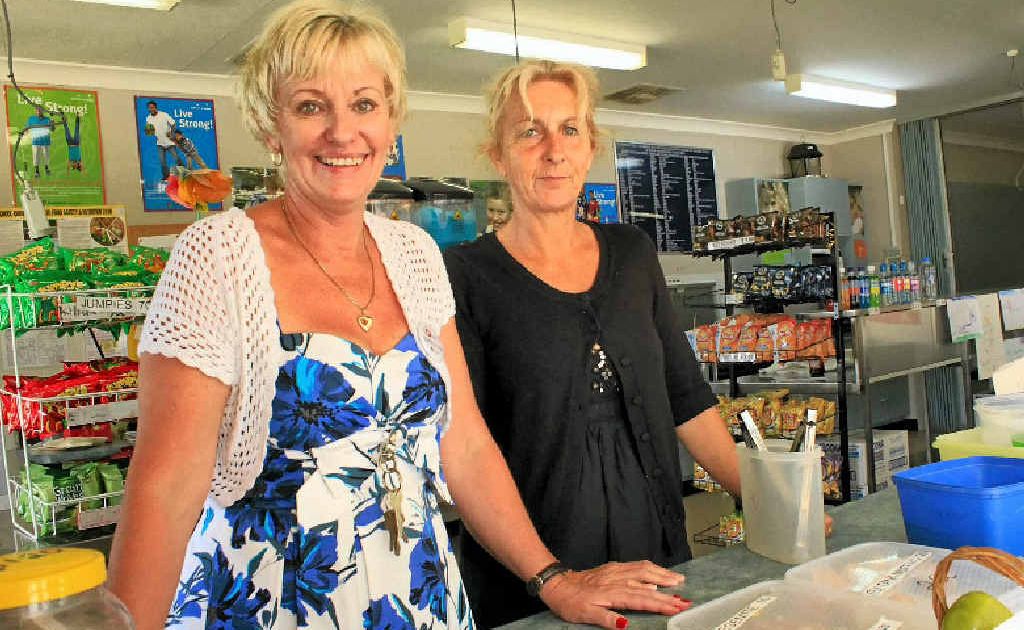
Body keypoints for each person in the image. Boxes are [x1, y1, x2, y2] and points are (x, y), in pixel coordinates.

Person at [107, 4, 688, 629]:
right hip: (269, 605)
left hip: (421, 601)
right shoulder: (217, 256)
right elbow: (163, 494)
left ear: (389, 119)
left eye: (363, 104)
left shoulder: (413, 255)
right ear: (270, 126)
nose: (341, 132)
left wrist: (552, 579)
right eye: (309, 106)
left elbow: (462, 442)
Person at [445, 60, 818, 627]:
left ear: (590, 145)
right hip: (532, 581)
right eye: (529, 132)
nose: (553, 149)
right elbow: (465, 448)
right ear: (497, 154)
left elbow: (685, 396)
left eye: (569, 129)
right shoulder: (462, 275)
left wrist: (772, 503)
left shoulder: (633, 252)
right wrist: (552, 578)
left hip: (654, 553)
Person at [145, 100, 184, 181]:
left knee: (176, 158)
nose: (150, 109)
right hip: (160, 143)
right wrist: (149, 131)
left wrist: (172, 133)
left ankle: (183, 172)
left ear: (155, 107)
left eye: (152, 107)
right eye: (149, 108)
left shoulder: (164, 114)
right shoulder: (148, 118)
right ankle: (166, 176)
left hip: (169, 142)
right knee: (162, 162)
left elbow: (173, 124)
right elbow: (149, 132)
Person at [26, 105, 54, 178]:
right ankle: (37, 171)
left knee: (46, 156)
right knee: (36, 157)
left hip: (45, 141)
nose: (39, 112)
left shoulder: (48, 119)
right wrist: (24, 133)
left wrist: (52, 125)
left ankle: (47, 169)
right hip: (36, 142)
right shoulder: (31, 119)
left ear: (43, 111)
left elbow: (52, 129)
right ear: (36, 111)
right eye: (37, 110)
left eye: (40, 110)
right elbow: (27, 129)